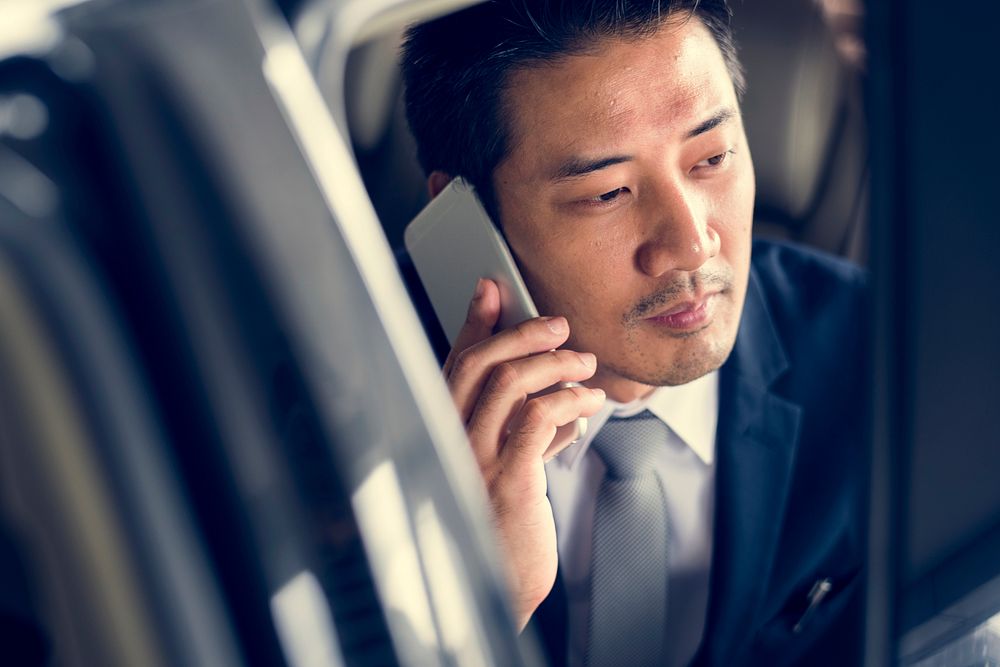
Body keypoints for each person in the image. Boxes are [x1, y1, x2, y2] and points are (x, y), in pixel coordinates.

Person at [400, 1, 868, 665]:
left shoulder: (881, 355)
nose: (692, 243)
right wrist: (477, 607)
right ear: (463, 214)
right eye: (607, 193)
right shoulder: (350, 402)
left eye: (712, 157)